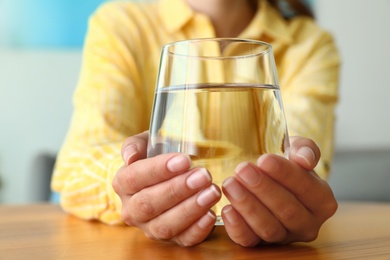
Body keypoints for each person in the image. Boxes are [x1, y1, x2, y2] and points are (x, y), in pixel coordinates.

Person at [51, 0, 340, 247]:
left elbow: (297, 160)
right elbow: (77, 165)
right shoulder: (122, 23)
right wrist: (132, 183)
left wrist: (296, 184)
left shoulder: (310, 44)